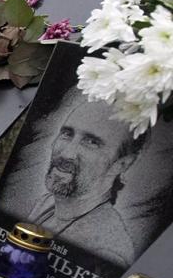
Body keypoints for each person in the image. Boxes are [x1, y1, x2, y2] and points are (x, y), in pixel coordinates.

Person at [27, 96, 142, 267]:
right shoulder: (47, 203)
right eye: (67, 134)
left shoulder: (107, 252)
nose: (67, 153)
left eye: (91, 142)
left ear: (121, 164)